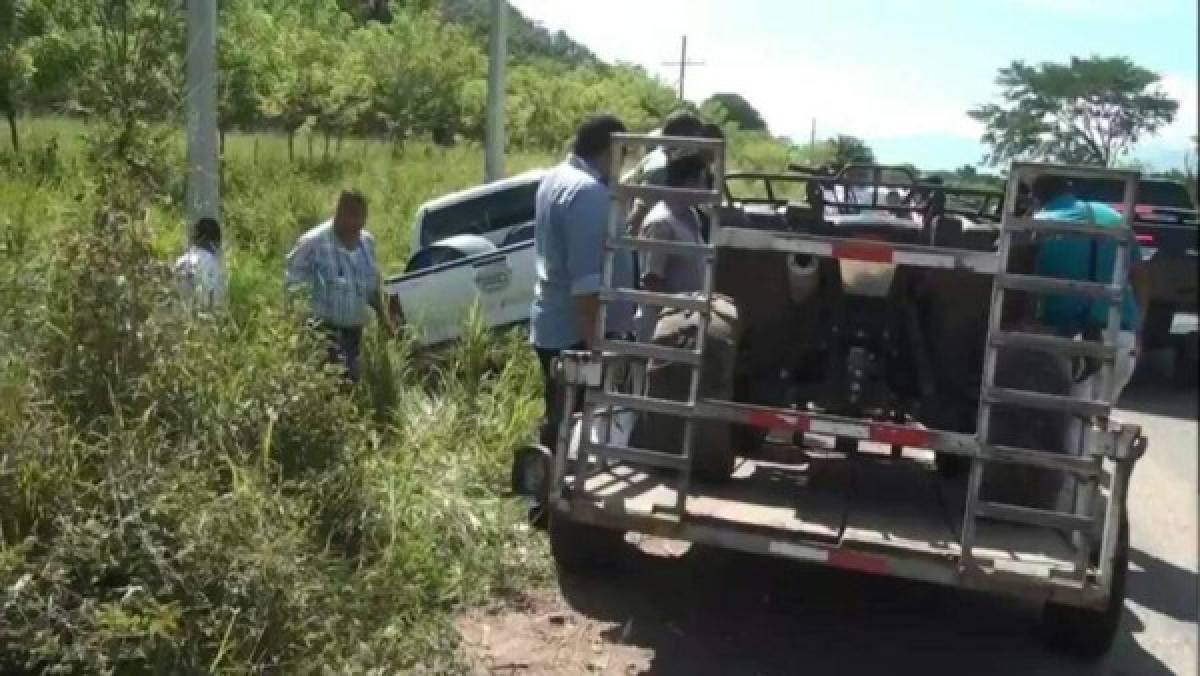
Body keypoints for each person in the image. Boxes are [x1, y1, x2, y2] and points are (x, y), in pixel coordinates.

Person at [530, 113, 636, 448]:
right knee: (573, 425)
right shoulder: (588, 193)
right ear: (609, 150)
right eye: (622, 155)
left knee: (559, 414)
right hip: (577, 332)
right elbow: (586, 282)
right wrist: (597, 347)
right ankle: (556, 490)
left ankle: (546, 487)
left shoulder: (554, 178)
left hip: (552, 321)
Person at [1030, 174, 1149, 447]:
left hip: (1068, 338)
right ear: (1070, 189)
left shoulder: (1036, 225)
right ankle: (1087, 477)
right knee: (1096, 417)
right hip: (1120, 334)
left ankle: (1074, 483)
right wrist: (1138, 329)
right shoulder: (1112, 218)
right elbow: (1141, 278)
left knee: (1072, 427)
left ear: (1036, 198)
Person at [285, 190, 393, 383]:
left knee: (352, 385)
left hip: (354, 333)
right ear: (339, 213)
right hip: (323, 335)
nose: (357, 224)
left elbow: (372, 285)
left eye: (362, 218)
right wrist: (300, 332)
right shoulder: (313, 243)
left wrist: (384, 319)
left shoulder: (366, 243)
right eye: (352, 217)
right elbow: (292, 289)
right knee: (331, 388)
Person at [635, 152, 711, 341]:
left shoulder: (691, 215)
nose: (706, 189)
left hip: (686, 320)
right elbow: (652, 280)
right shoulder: (661, 223)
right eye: (702, 182)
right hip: (663, 325)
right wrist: (673, 316)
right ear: (689, 183)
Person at [174, 217, 226, 312]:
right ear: (214, 241)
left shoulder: (180, 260)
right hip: (201, 316)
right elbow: (213, 297)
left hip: (179, 314)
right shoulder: (211, 262)